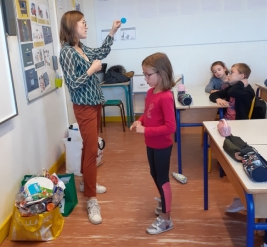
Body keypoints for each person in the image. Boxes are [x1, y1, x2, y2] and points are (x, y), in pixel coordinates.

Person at [59, 10, 121, 224]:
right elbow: (72, 84)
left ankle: (87, 184)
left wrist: (112, 31)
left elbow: (101, 52)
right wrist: (91, 70)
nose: (86, 26)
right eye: (83, 23)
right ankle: (91, 200)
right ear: (71, 26)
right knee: (92, 148)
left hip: (94, 103)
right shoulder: (67, 52)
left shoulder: (81, 47)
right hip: (84, 106)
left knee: (89, 147)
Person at [130, 52, 176, 234]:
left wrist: (146, 130)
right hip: (150, 143)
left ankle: (166, 219)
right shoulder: (150, 92)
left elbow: (170, 127)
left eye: (148, 74)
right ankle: (164, 202)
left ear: (161, 73)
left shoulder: (166, 96)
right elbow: (149, 113)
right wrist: (140, 120)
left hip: (162, 145)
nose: (145, 78)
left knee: (163, 178)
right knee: (154, 174)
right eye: (144, 74)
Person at [209, 63, 255, 212]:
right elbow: (213, 94)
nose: (228, 74)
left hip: (241, 130)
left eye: (232, 72)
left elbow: (233, 91)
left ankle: (246, 198)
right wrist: (218, 99)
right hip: (230, 126)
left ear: (242, 76)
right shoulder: (234, 87)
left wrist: (235, 82)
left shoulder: (248, 91)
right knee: (212, 134)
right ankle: (242, 196)